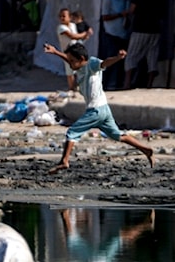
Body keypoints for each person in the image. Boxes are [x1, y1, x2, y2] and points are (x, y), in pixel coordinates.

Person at [41, 41, 154, 174]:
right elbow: (69, 59)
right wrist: (55, 52)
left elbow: (105, 63)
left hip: (96, 110)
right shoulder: (79, 67)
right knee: (118, 135)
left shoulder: (91, 65)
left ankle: (64, 161)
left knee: (72, 133)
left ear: (82, 59)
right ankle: (146, 150)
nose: (70, 64)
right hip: (104, 109)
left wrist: (118, 58)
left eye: (72, 61)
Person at [122, 0, 167, 89]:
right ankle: (149, 84)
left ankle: (127, 83)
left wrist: (125, 14)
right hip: (155, 29)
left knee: (131, 56)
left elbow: (132, 9)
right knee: (152, 56)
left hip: (140, 28)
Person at [100, 0, 130, 89]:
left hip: (122, 33)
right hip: (111, 34)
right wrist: (120, 14)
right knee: (110, 60)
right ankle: (105, 85)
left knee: (121, 61)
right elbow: (105, 16)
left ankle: (118, 84)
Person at [56, 8, 90, 93]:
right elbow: (73, 36)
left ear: (70, 17)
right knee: (70, 71)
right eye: (60, 16)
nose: (62, 18)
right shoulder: (61, 28)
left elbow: (77, 36)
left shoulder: (72, 25)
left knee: (79, 68)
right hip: (68, 52)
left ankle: (79, 86)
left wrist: (83, 36)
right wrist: (84, 34)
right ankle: (71, 87)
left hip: (76, 51)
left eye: (64, 16)